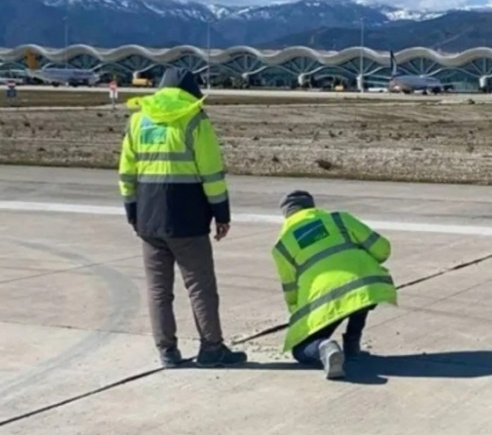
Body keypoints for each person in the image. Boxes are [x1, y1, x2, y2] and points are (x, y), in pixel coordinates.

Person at [117, 67, 247, 369]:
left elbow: (126, 172)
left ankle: (167, 350)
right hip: (187, 218)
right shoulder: (195, 121)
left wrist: (131, 210)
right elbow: (211, 175)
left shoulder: (138, 120)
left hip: (148, 217)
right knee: (200, 286)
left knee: (158, 290)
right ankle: (211, 348)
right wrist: (221, 214)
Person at [271, 190, 397, 380]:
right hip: (365, 286)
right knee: (359, 294)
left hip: (324, 300)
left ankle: (324, 347)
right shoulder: (340, 219)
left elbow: (291, 289)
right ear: (311, 206)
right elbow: (381, 249)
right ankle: (352, 346)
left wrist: (299, 317)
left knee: (300, 350)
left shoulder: (282, 246)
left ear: (286, 215)